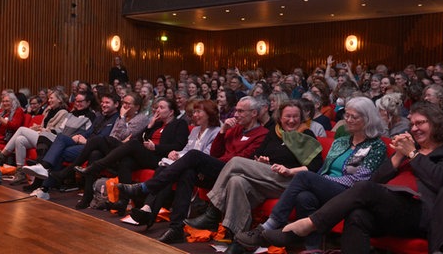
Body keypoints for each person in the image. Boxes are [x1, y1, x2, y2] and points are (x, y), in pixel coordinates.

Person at [266, 102, 443, 254]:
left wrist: (413, 155)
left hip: (421, 212)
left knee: (360, 187)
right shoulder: (408, 151)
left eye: (421, 123)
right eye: (412, 124)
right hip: (391, 209)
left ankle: (308, 225)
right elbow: (377, 180)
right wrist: (399, 156)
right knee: (357, 216)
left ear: (436, 124)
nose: (414, 128)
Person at [235, 97, 387, 252]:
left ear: (368, 119)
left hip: (350, 193)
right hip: (328, 188)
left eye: (353, 117)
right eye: (346, 115)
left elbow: (358, 180)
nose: (347, 120)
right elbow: (324, 168)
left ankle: (271, 225)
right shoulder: (341, 141)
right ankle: (312, 248)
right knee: (304, 197)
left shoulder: (376, 146)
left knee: (303, 176)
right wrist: (319, 181)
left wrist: (320, 180)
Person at [117, 96, 269, 244]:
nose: (236, 114)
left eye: (241, 111)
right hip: (218, 170)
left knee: (194, 156)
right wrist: (223, 131)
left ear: (254, 113)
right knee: (186, 171)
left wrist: (209, 160)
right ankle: (176, 228)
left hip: (234, 172)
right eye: (236, 111)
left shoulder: (262, 134)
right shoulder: (234, 129)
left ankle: (146, 187)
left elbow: (239, 160)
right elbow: (216, 152)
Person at [184, 100, 323, 253]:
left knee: (236, 162)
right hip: (267, 178)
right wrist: (261, 160)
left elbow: (315, 167)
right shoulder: (275, 133)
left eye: (295, 117)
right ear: (280, 118)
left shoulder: (306, 135)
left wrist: (290, 170)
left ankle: (213, 211)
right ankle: (240, 241)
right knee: (236, 181)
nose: (291, 120)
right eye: (287, 116)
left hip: (290, 181)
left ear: (301, 118)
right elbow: (255, 155)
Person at [75, 97, 189, 214]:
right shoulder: (157, 124)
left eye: (162, 107)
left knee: (129, 144)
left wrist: (156, 147)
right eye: (157, 107)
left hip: (160, 158)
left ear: (171, 112)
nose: (157, 110)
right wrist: (149, 126)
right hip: (145, 154)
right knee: (125, 160)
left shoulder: (179, 124)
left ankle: (96, 166)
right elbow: (139, 138)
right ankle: (122, 202)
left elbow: (179, 145)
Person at [129, 100, 221, 228]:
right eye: (194, 112)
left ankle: (148, 204)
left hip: (203, 170)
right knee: (164, 169)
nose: (195, 115)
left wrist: (181, 156)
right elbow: (187, 150)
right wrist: (176, 153)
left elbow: (206, 155)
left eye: (198, 112)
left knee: (170, 171)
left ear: (209, 114)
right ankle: (147, 211)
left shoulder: (216, 131)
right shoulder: (195, 130)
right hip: (187, 164)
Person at [48, 92, 148, 204]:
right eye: (124, 103)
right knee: (94, 153)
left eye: (128, 104)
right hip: (114, 148)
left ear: (137, 107)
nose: (124, 106)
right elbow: (114, 135)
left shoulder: (141, 119)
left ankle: (67, 171)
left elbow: (126, 134)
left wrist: (122, 117)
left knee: (96, 141)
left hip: (126, 152)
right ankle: (88, 195)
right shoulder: (120, 117)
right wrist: (122, 123)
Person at [24, 93, 121, 202]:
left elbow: (105, 139)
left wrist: (86, 141)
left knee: (61, 152)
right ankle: (44, 167)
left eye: (107, 102)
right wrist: (80, 136)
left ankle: (44, 187)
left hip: (94, 148)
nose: (103, 104)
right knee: (61, 137)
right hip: (83, 142)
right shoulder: (100, 117)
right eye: (102, 102)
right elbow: (89, 132)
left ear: (116, 104)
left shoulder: (117, 119)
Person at [0, 88, 69, 182]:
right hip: (42, 136)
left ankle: (2, 155)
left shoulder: (64, 112)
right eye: (49, 98)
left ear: (59, 99)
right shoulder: (49, 111)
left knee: (21, 129)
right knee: (20, 139)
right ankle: (20, 171)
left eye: (51, 98)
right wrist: (37, 127)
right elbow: (44, 125)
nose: (49, 100)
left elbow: (59, 130)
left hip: (51, 140)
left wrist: (42, 129)